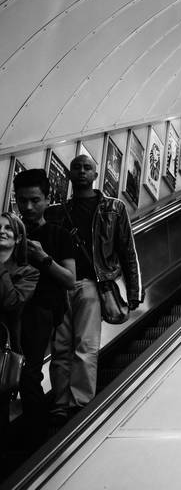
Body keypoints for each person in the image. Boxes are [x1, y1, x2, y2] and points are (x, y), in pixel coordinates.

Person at [45, 155, 140, 423]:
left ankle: (80, 402)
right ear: (70, 175)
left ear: (96, 174)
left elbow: (128, 251)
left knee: (85, 345)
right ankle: (60, 402)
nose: (82, 172)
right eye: (77, 168)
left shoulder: (114, 208)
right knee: (61, 347)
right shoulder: (56, 211)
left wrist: (134, 292)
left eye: (88, 168)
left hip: (90, 284)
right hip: (61, 283)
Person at [13, 170, 76, 446]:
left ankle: (34, 442)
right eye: (22, 200)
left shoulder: (58, 235)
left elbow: (70, 280)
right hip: (10, 310)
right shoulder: (8, 233)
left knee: (29, 375)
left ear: (48, 199)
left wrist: (43, 258)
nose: (27, 207)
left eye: (35, 200)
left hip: (41, 312)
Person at [0, 212, 39, 451]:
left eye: (8, 228)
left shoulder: (28, 272)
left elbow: (12, 303)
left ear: (18, 238)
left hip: (2, 353)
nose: (1, 231)